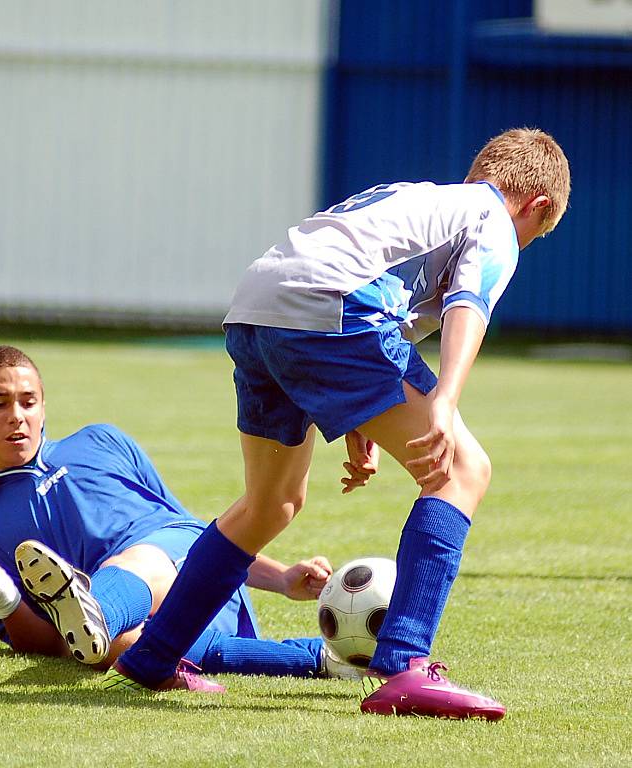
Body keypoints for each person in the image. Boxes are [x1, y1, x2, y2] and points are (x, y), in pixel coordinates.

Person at [108, 128, 571, 718]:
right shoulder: (493, 216)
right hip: (332, 308)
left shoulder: (418, 199)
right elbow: (467, 305)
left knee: (269, 504)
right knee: (463, 470)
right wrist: (445, 401)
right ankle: (404, 663)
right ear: (536, 207)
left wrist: (358, 426)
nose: (522, 245)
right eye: (534, 236)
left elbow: (377, 304)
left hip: (256, 308)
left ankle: (152, 656)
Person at [0, 344, 358, 685]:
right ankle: (336, 661)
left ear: (44, 407)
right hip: (152, 624)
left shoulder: (101, 441)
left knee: (138, 567)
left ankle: (103, 607)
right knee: (118, 644)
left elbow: (204, 537)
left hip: (188, 565)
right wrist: (0, 590)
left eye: (28, 402)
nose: (17, 415)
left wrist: (281, 578)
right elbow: (53, 644)